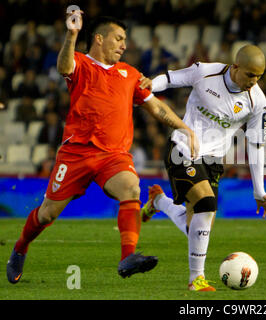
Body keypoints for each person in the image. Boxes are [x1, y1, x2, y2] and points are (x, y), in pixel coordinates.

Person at [6, 11, 197, 284]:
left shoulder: (130, 74)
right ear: (99, 39)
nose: (124, 45)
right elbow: (63, 66)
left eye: (125, 40)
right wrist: (71, 35)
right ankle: (20, 247)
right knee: (47, 213)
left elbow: (156, 107)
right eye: (118, 39)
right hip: (76, 154)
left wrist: (183, 127)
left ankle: (127, 257)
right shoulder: (80, 64)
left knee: (131, 187)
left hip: (113, 156)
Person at [141, 45, 266, 291]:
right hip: (181, 148)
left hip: (213, 162)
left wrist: (259, 192)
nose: (254, 81)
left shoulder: (257, 100)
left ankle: (159, 202)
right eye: (250, 75)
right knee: (206, 204)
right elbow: (172, 78)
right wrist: (150, 85)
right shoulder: (206, 72)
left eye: (259, 76)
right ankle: (196, 279)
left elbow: (256, 144)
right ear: (235, 67)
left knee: (195, 226)